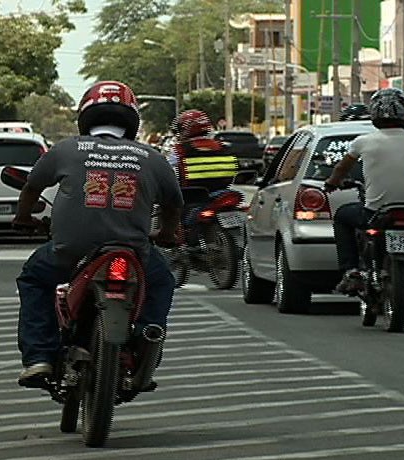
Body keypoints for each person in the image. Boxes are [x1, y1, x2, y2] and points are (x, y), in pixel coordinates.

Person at [14, 81, 184, 388]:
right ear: (132, 120)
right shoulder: (152, 157)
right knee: (162, 281)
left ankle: (39, 356)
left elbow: (31, 188)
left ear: (85, 117)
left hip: (71, 251)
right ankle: (147, 338)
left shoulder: (66, 149)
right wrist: (168, 234)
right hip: (134, 253)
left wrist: (23, 218)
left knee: (34, 279)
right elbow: (173, 204)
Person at [324, 88, 404, 294]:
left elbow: (341, 168)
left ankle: (351, 271)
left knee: (342, 216)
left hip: (374, 211)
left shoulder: (363, 141)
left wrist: (332, 183)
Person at [169, 110, 238, 241]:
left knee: (174, 214)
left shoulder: (180, 149)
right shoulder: (222, 147)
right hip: (223, 192)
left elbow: (167, 169)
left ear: (185, 128)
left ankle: (184, 241)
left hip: (192, 196)